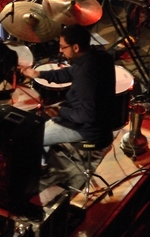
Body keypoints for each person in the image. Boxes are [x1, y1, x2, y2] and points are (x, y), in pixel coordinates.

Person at [20, 25, 116, 163]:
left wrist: (61, 111)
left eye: (63, 47)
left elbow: (88, 115)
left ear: (75, 47)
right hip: (88, 114)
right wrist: (38, 74)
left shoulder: (86, 75)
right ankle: (42, 161)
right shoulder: (99, 55)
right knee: (39, 126)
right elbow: (69, 73)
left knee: (30, 138)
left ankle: (37, 164)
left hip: (88, 129)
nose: (60, 50)